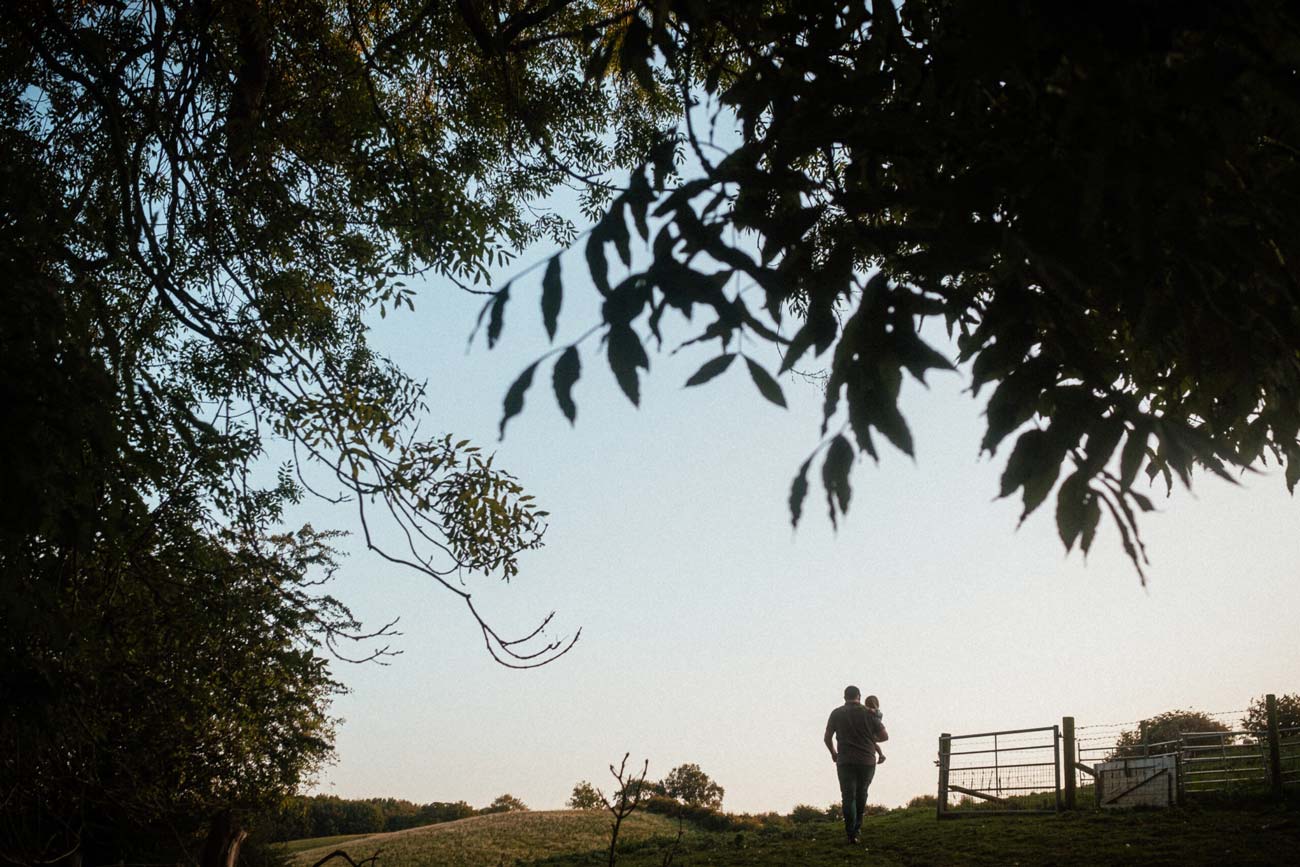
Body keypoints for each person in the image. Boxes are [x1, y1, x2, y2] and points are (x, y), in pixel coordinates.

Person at [823, 685, 888, 845]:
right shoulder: (869, 712)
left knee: (848, 797)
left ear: (845, 697)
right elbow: (884, 736)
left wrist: (833, 753)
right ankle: (857, 829)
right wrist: (871, 740)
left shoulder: (836, 713)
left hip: (845, 761)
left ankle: (850, 833)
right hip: (866, 761)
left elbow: (827, 738)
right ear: (859, 696)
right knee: (861, 793)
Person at [865, 694, 888, 764]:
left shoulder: (874, 711)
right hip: (874, 730)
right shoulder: (876, 711)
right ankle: (881, 755)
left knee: (873, 743)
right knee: (873, 743)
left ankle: (881, 755)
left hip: (874, 730)